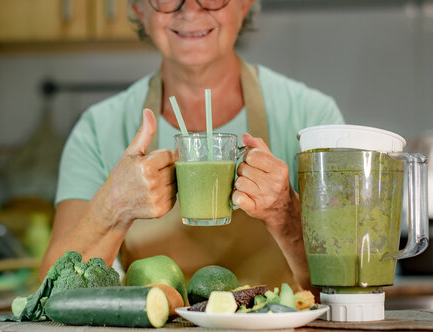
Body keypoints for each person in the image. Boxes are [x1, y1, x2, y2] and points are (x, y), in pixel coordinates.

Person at [40, 0, 344, 293]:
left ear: (245, 4)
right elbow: (50, 292)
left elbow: (346, 286)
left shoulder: (314, 121)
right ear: (139, 9)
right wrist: (113, 206)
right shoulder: (97, 129)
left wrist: (286, 216)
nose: (191, 9)